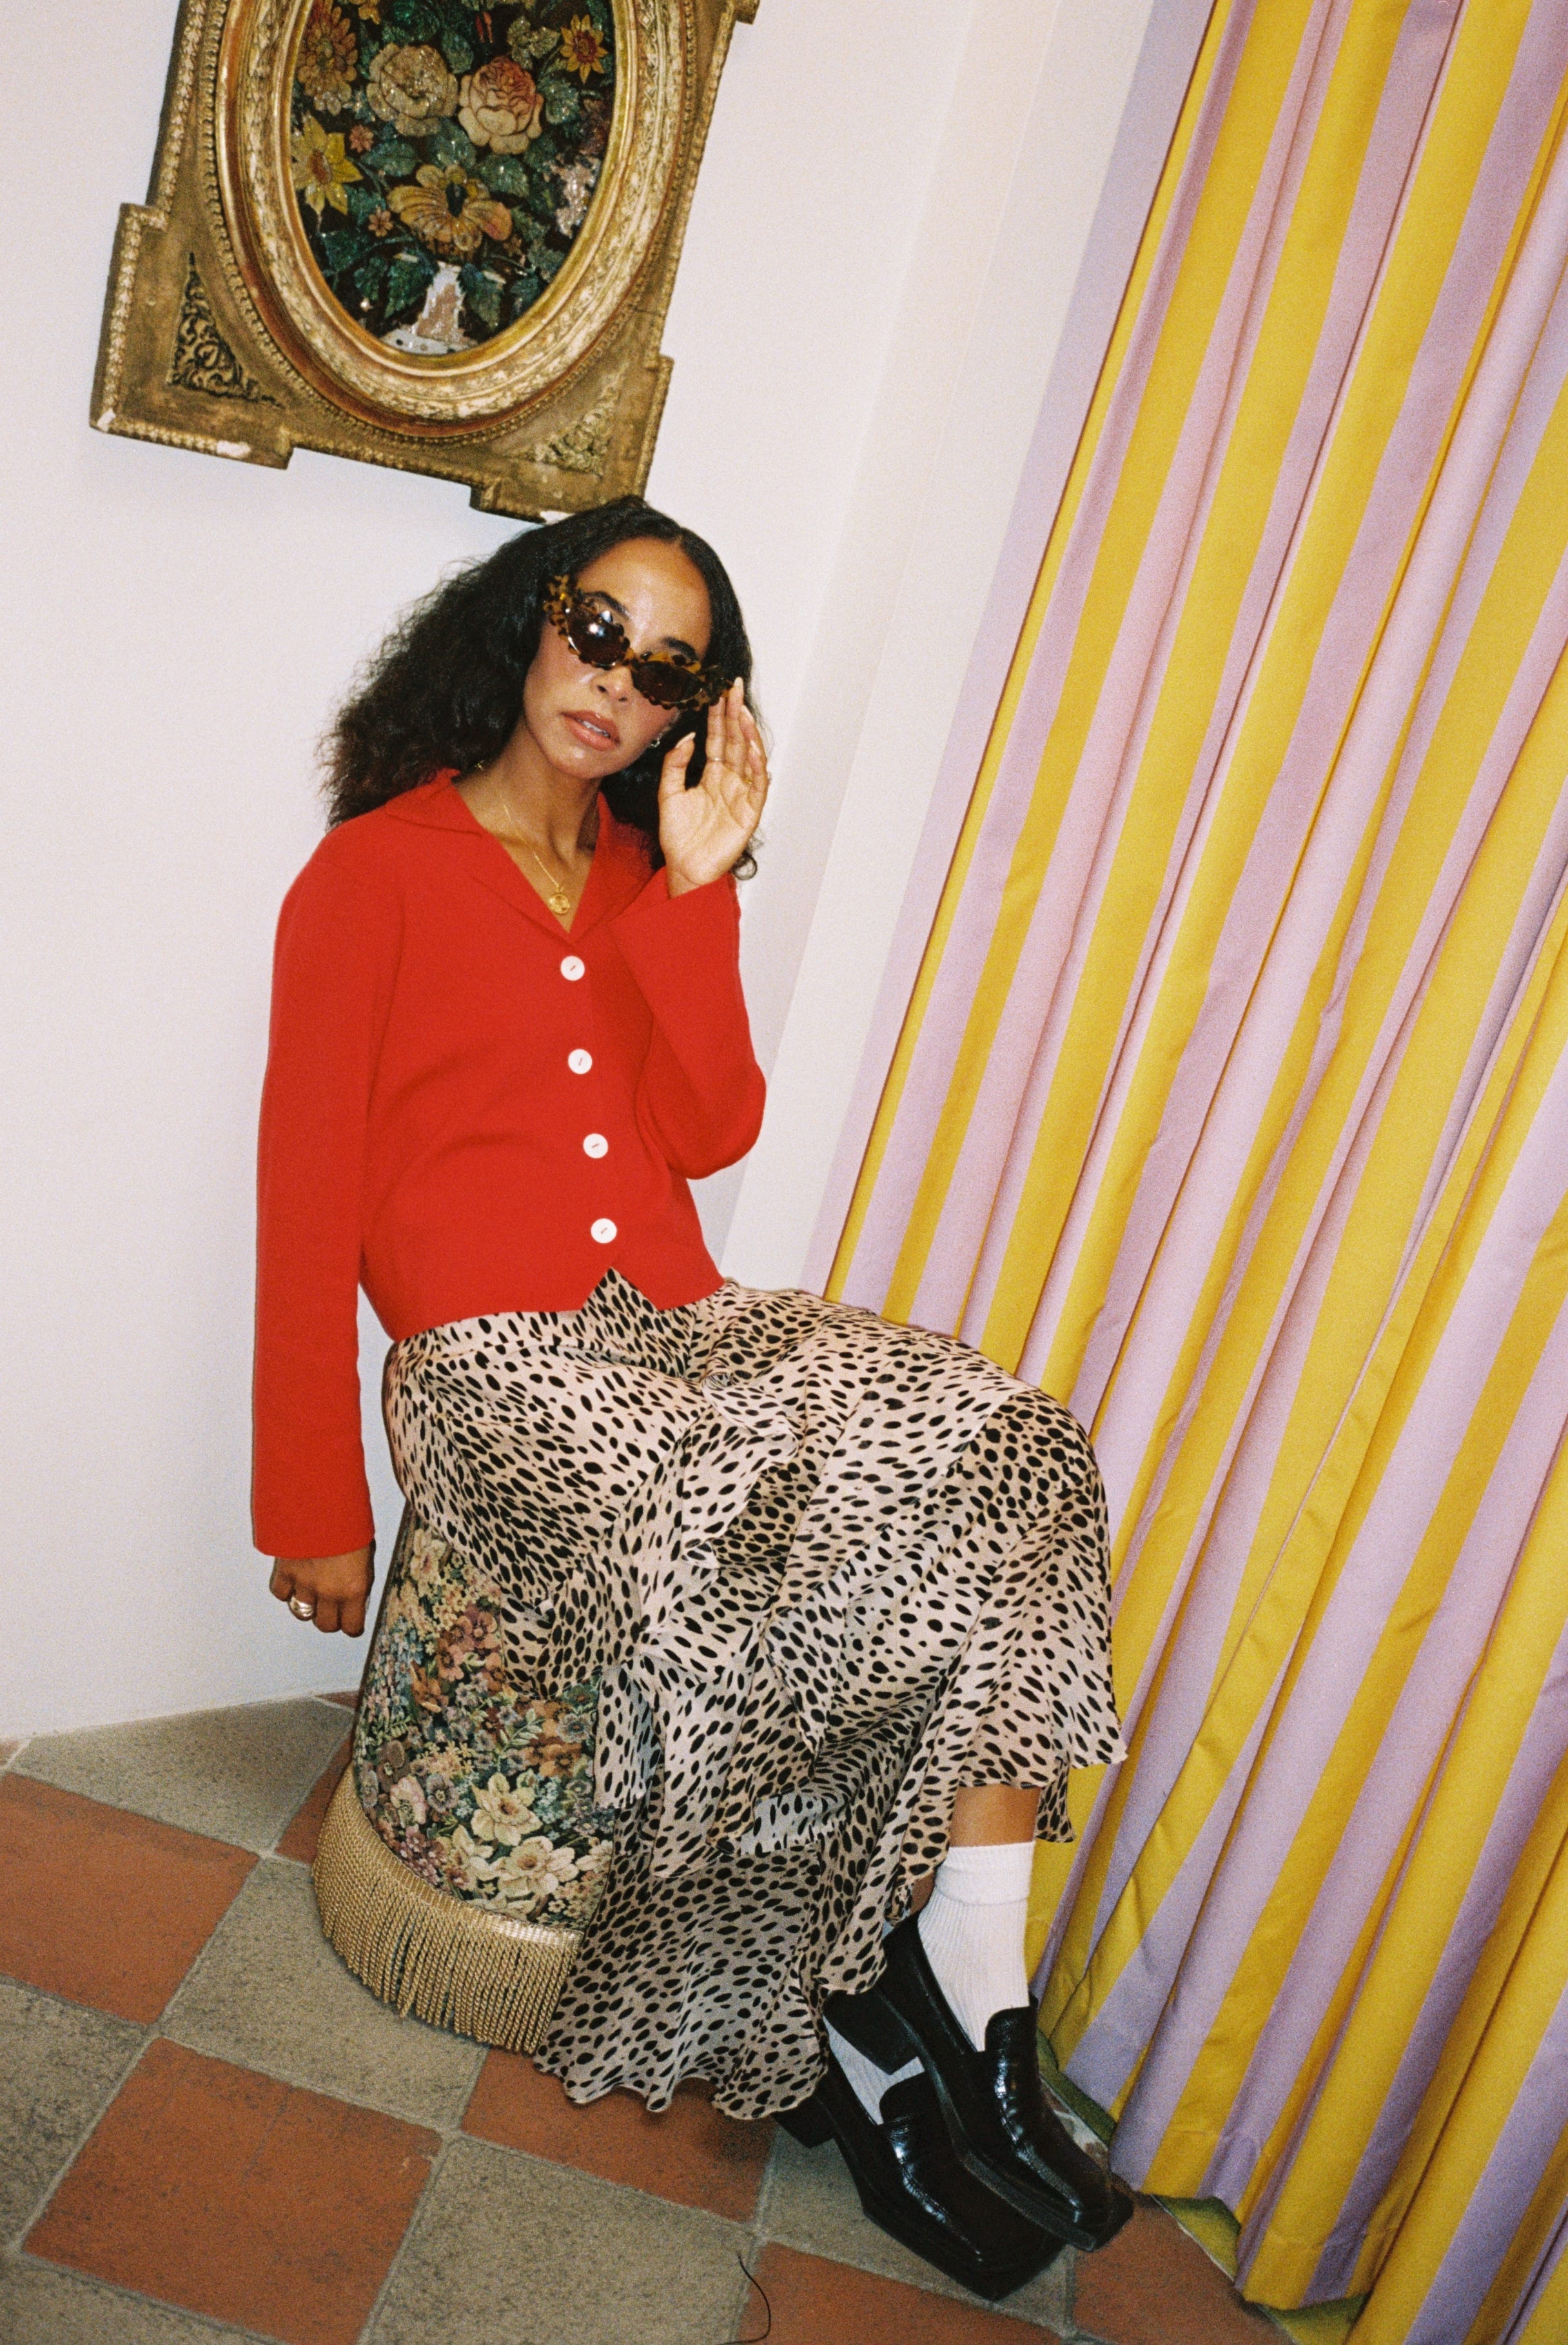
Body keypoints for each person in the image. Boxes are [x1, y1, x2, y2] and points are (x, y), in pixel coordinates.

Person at [254, 495, 1130, 2299]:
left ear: (694, 710)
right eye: (598, 631)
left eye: (667, 671)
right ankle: (867, 2044)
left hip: (677, 1325)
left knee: (1007, 1443)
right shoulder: (371, 874)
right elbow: (303, 1195)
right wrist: (313, 1503)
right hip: (496, 1362)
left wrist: (702, 883)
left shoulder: (649, 877)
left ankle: (974, 1984)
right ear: (530, 615)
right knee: (755, 1550)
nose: (616, 685)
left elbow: (710, 1126)